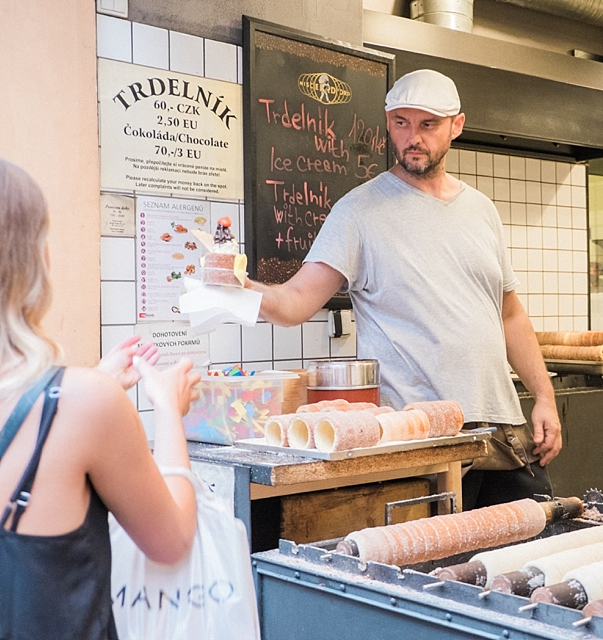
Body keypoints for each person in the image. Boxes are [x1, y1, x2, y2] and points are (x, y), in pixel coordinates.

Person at [247, 69, 562, 508]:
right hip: (424, 440)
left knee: (531, 556)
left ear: (457, 125)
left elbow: (509, 314)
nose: (412, 137)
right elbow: (296, 301)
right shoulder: (357, 212)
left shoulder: (481, 210)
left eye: (427, 125)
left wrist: (544, 396)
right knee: (442, 570)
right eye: (400, 123)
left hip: (504, 434)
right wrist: (239, 292)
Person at [0, 158, 200, 640]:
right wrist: (168, 410)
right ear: (36, 260)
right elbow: (170, 541)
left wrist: (89, 382)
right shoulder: (85, 402)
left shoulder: (76, 398)